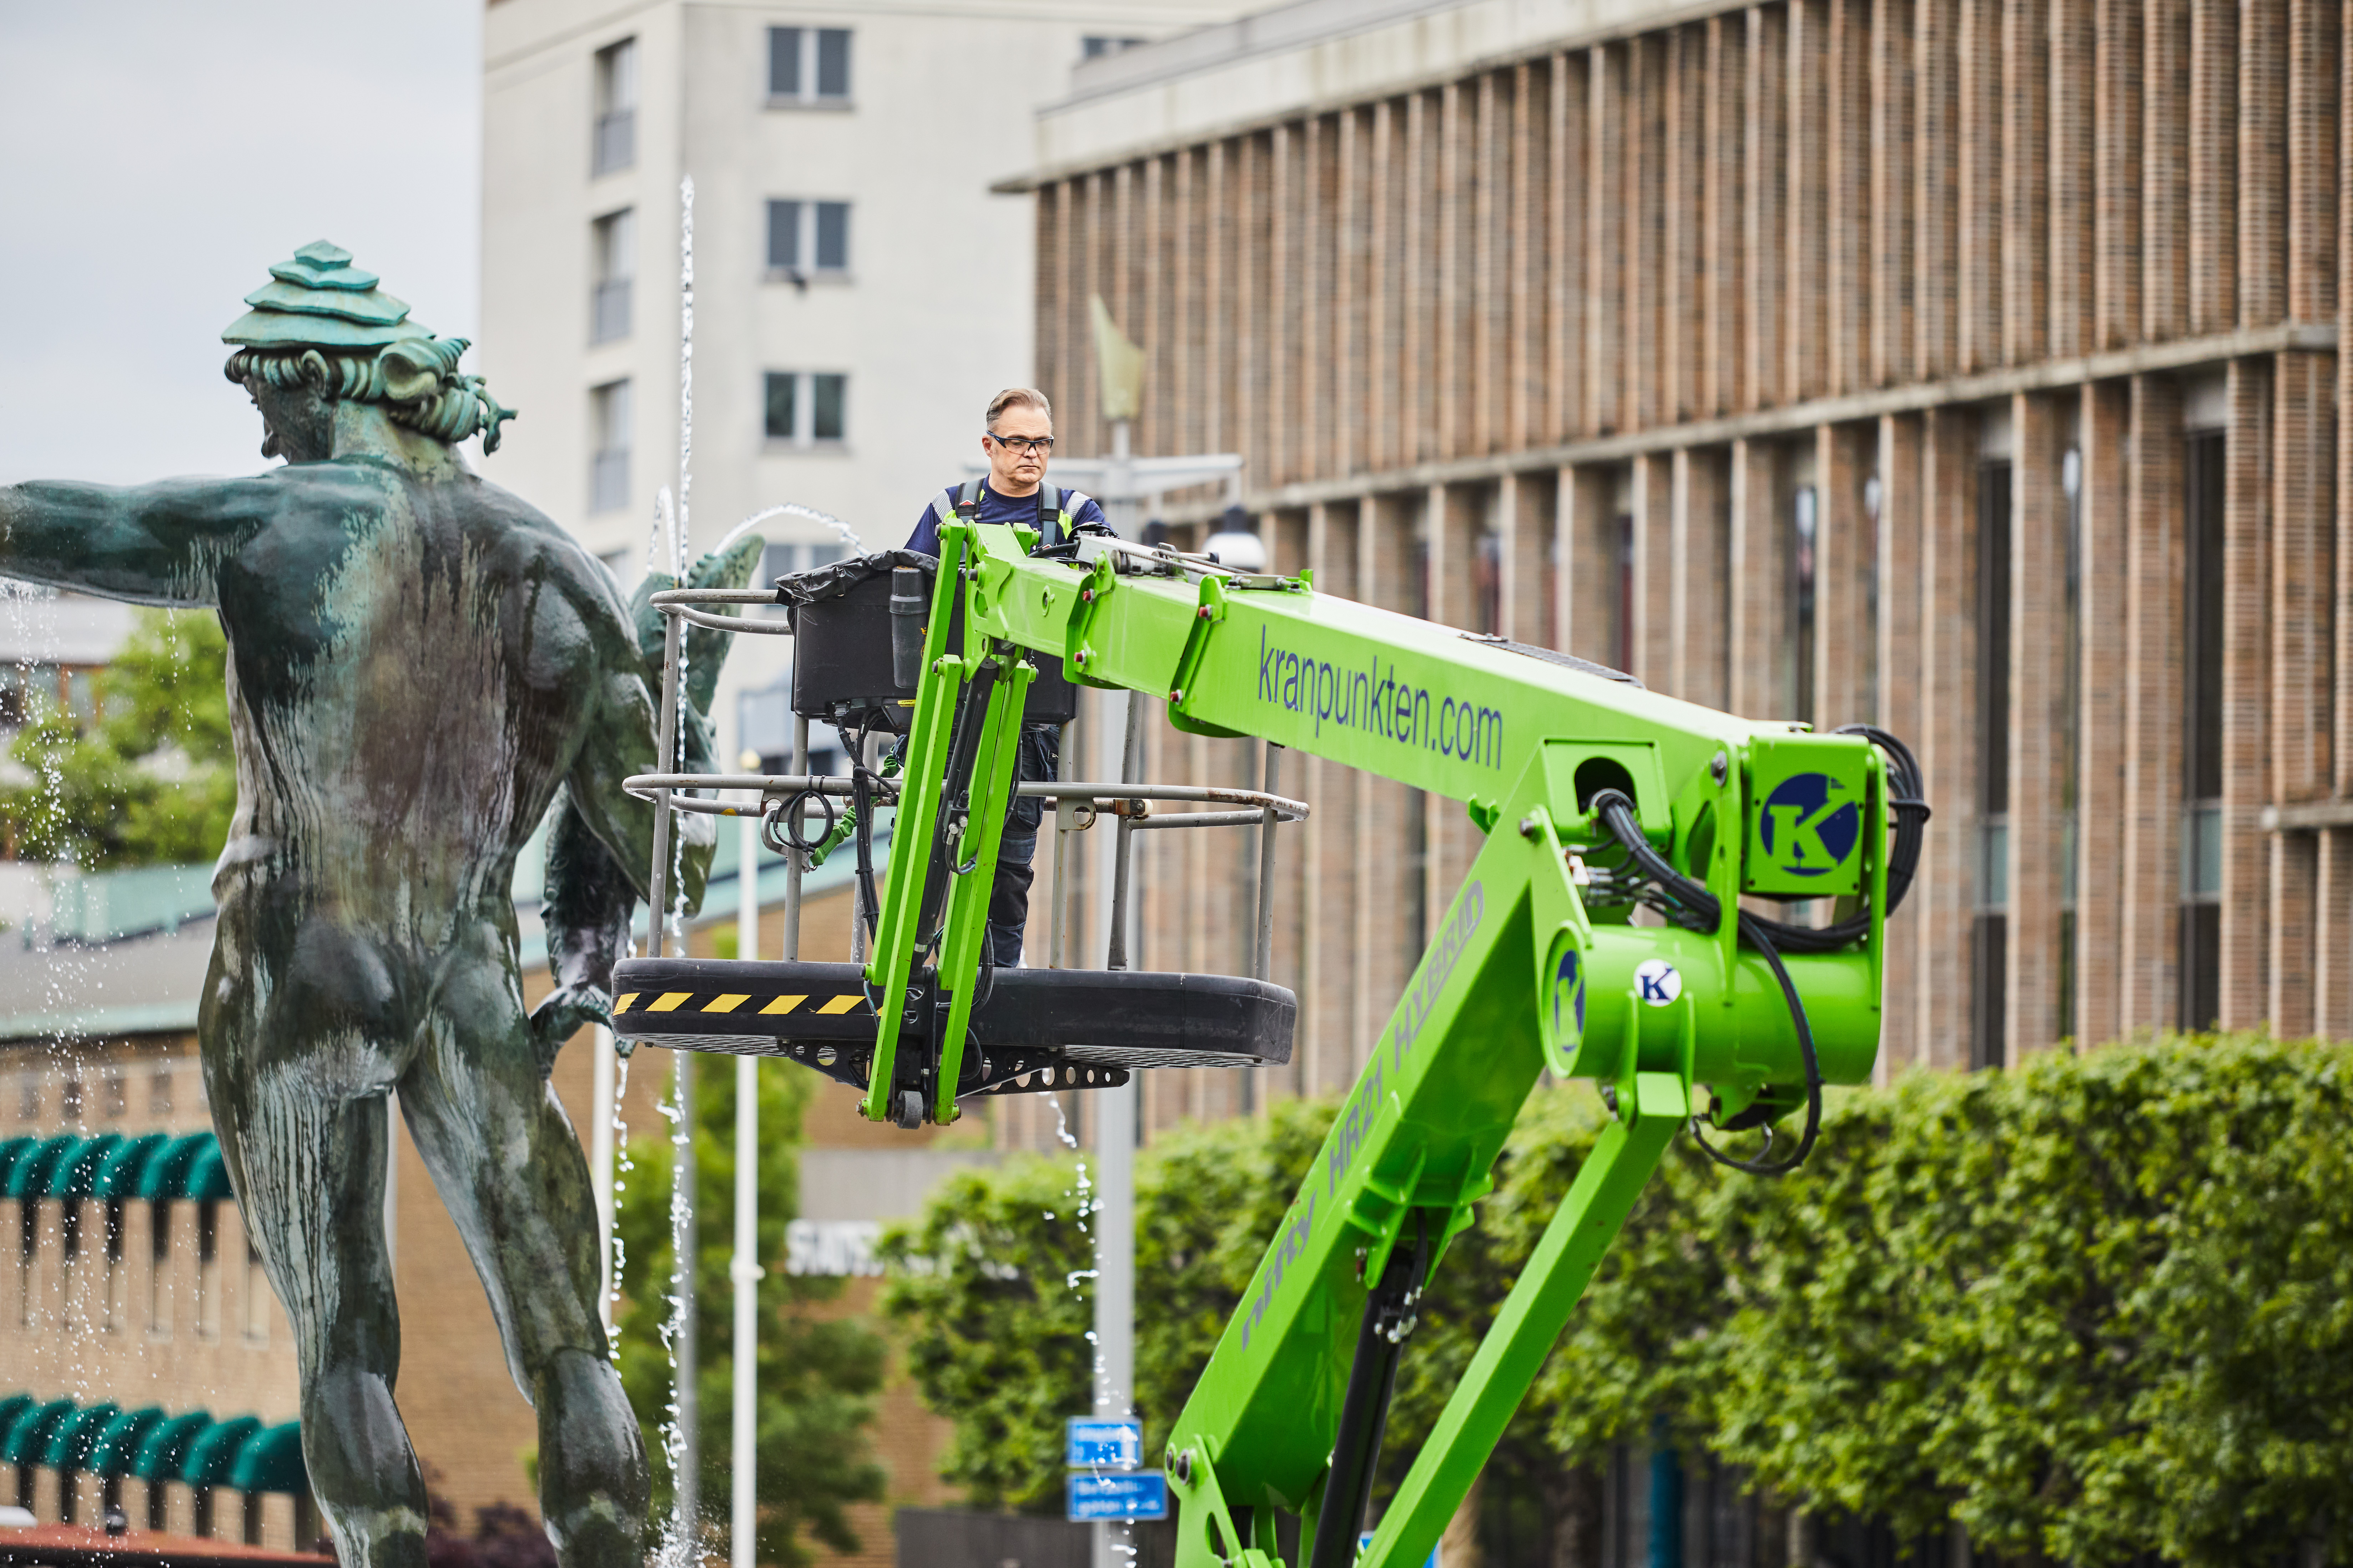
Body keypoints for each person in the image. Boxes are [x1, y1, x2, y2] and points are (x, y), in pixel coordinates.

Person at [0, 241, 756, 1568]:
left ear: (318, 380)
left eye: (264, 389)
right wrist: (673, 678)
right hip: (471, 976)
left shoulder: (266, 523)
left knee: (344, 1335)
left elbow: (66, 522)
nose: (259, 420)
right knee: (568, 1337)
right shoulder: (561, 571)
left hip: (297, 957)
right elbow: (670, 862)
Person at [906, 387, 1107, 966]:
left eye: (1042, 443)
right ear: (989, 445)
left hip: (1031, 725)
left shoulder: (1074, 515)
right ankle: (913, 968)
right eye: (1019, 442)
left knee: (1009, 866)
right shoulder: (951, 512)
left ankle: (1000, 975)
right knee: (926, 850)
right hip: (950, 713)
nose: (1032, 455)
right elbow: (910, 593)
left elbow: (1113, 578)